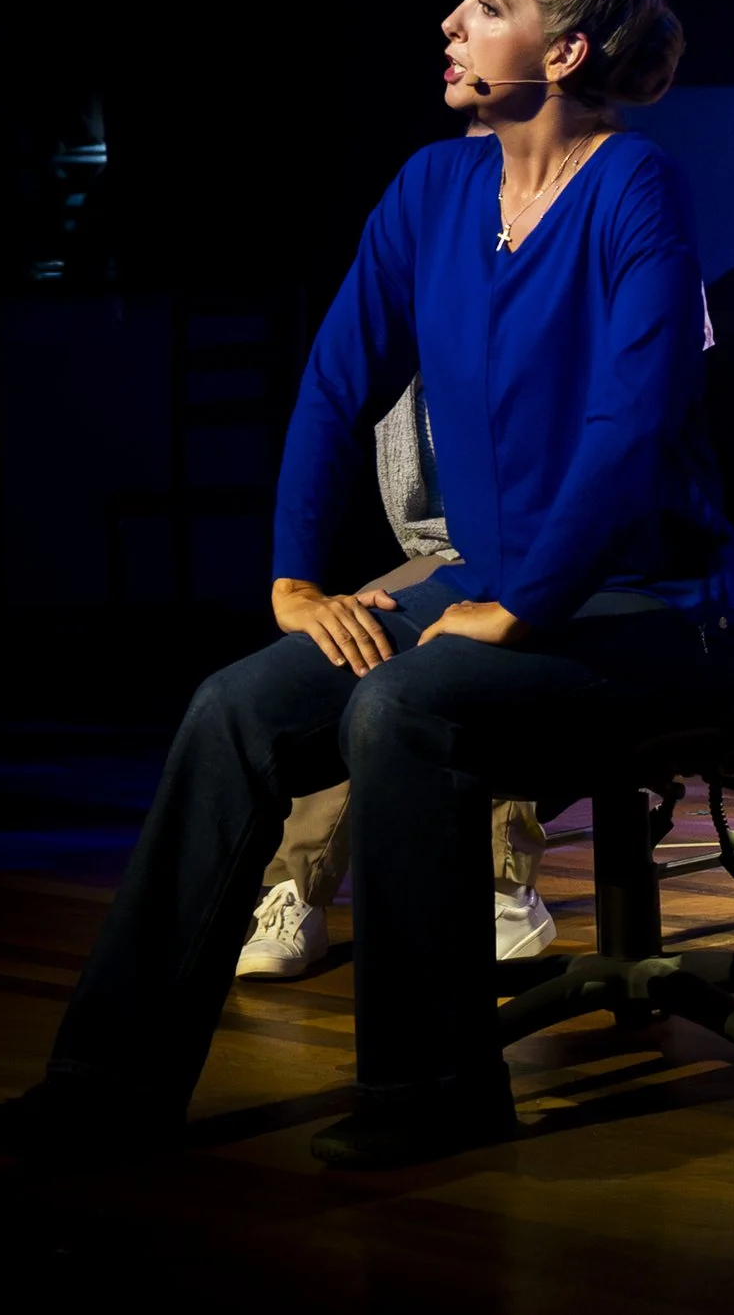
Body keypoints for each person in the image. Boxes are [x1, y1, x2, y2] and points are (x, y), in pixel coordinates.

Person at [0, 0, 734, 1170]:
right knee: (237, 705)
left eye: (489, 5)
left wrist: (524, 602)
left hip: (653, 603)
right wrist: (293, 576)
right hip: (491, 585)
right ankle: (106, 1084)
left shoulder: (635, 186)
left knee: (409, 707)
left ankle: (431, 1086)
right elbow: (338, 382)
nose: (451, 23)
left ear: (562, 52)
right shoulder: (432, 185)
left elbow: (632, 425)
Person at [236, 373, 559, 979]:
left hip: (554, 547)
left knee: (486, 644)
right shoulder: (394, 323)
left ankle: (505, 884)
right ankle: (296, 891)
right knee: (351, 640)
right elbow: (325, 424)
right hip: (440, 556)